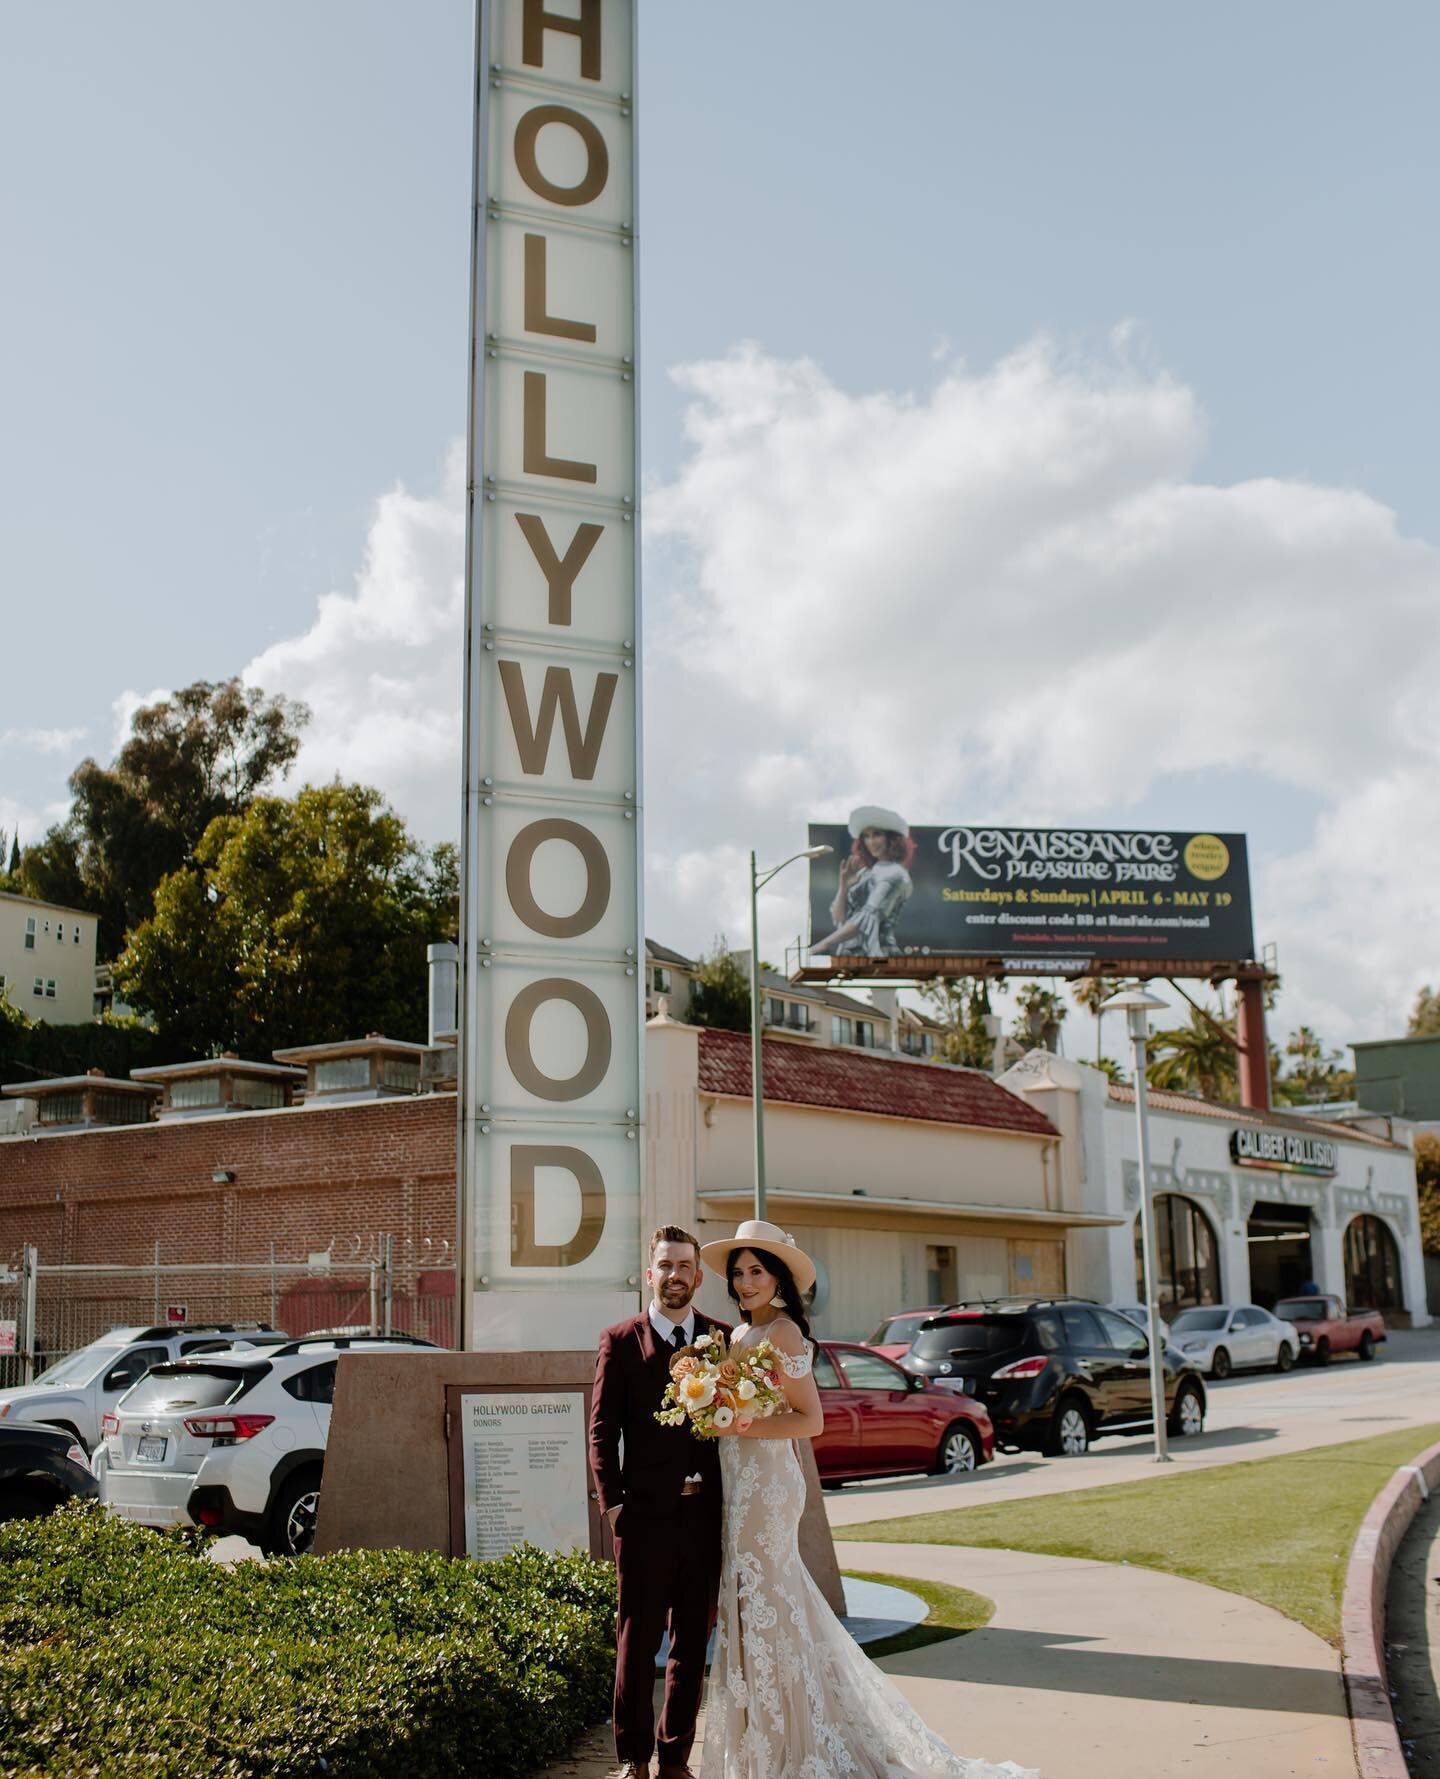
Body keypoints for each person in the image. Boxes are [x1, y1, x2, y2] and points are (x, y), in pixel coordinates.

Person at [695, 1219, 1037, 1779]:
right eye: (738, 1273)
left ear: (778, 1277)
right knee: (748, 1600)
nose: (745, 1282)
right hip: (738, 1481)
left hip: (769, 1485)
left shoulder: (784, 1334)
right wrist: (716, 1416)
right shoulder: (735, 1338)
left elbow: (811, 1419)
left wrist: (739, 1423)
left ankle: (795, 1742)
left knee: (767, 1599)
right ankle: (764, 1736)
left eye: (756, 1271)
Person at [589, 1226, 730, 1779]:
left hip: (702, 1516)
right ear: (650, 1274)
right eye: (665, 1265)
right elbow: (601, 1432)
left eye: (684, 1266)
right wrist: (615, 1506)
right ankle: (635, 1760)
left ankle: (675, 1760)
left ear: (698, 1275)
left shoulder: (721, 1341)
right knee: (636, 1642)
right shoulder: (621, 1341)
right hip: (642, 1518)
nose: (675, 1275)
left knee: (691, 1645)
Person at [810, 805, 916, 957]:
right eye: (866, 836)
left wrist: (822, 945)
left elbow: (867, 918)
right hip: (851, 953)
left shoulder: (896, 874)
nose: (871, 841)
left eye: (877, 834)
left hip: (880, 953)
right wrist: (843, 886)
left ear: (892, 839)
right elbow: (839, 919)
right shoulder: (866, 873)